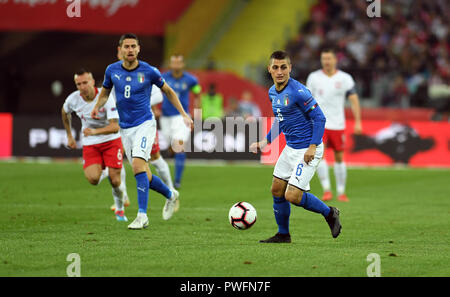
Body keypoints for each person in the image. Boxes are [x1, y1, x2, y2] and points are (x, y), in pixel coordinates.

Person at [91, 33, 193, 230]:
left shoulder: (149, 71)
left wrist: (184, 114)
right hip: (125, 128)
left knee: (138, 166)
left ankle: (142, 216)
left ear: (138, 49)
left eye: (133, 46)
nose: (130, 50)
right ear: (120, 50)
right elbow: (104, 93)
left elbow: (169, 92)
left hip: (145, 124)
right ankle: (171, 195)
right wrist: (97, 106)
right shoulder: (111, 70)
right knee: (144, 175)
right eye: (126, 46)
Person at [250, 50, 341, 243]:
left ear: (290, 68)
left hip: (308, 148)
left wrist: (313, 146)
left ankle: (329, 212)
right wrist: (265, 141)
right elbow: (280, 120)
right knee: (276, 189)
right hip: (291, 148)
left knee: (292, 195)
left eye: (284, 67)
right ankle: (283, 234)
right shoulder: (272, 92)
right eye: (275, 67)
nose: (280, 71)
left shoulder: (299, 92)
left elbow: (319, 118)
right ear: (269, 69)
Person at [61, 69, 129, 222]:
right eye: (79, 84)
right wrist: (70, 136)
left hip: (111, 141)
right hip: (91, 144)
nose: (82, 86)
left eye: (85, 82)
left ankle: (119, 210)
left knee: (116, 181)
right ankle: (106, 169)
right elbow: (65, 112)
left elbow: (115, 127)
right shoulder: (73, 99)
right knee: (93, 179)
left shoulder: (106, 98)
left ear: (92, 82)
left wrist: (94, 131)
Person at [306, 47, 362, 202]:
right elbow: (307, 99)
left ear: (335, 60)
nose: (326, 61)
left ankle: (341, 192)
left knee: (339, 157)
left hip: (338, 124)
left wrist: (358, 121)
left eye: (329, 58)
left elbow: (354, 100)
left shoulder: (345, 78)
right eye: (324, 59)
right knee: (319, 156)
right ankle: (327, 190)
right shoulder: (314, 77)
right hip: (319, 124)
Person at [109, 84, 175, 212]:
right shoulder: (114, 73)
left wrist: (138, 103)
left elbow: (158, 96)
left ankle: (145, 212)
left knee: (154, 159)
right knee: (120, 160)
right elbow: (110, 99)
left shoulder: (145, 72)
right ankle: (124, 195)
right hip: (123, 125)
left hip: (145, 124)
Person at [160, 54, 201, 189]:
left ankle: (177, 181)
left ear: (182, 64)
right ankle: (174, 153)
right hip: (165, 117)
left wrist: (197, 113)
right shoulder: (163, 77)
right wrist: (154, 108)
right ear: (171, 64)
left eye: (178, 63)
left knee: (179, 147)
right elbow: (153, 92)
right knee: (171, 147)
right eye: (174, 63)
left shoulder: (191, 80)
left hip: (181, 117)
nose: (176, 65)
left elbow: (197, 93)